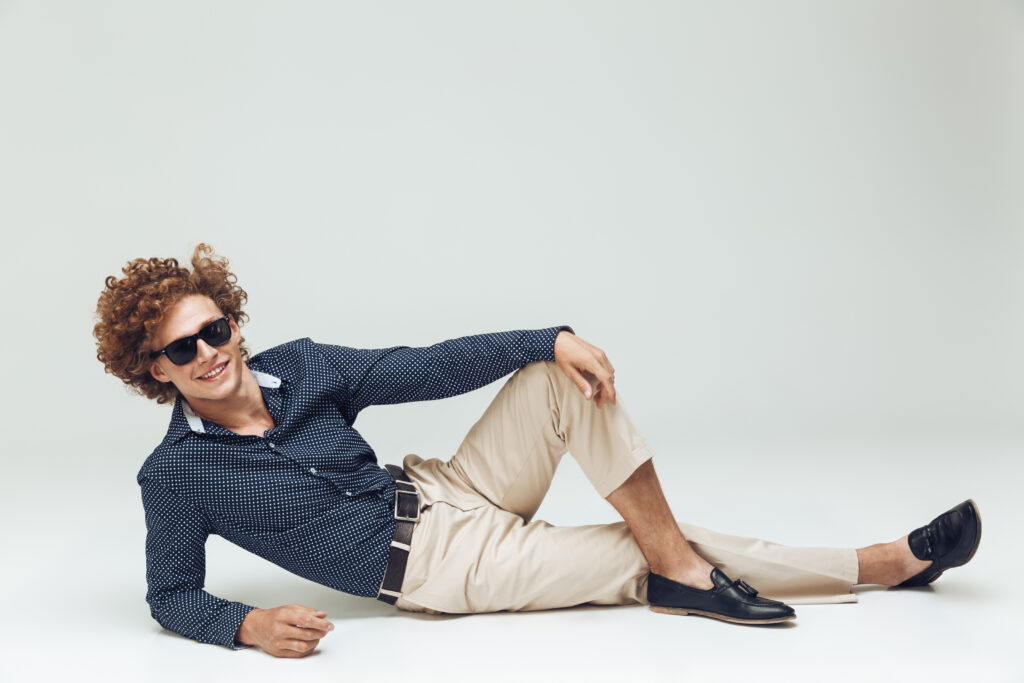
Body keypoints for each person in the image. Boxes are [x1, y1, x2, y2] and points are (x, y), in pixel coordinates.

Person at [93, 243, 982, 658]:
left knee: (558, 377)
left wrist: (548, 336)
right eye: (181, 348)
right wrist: (243, 625)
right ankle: (875, 562)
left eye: (214, 328)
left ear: (235, 321)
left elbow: (422, 366)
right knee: (639, 548)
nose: (208, 352)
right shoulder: (175, 474)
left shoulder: (304, 367)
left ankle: (676, 565)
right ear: (153, 369)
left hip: (446, 489)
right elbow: (169, 591)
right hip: (437, 568)